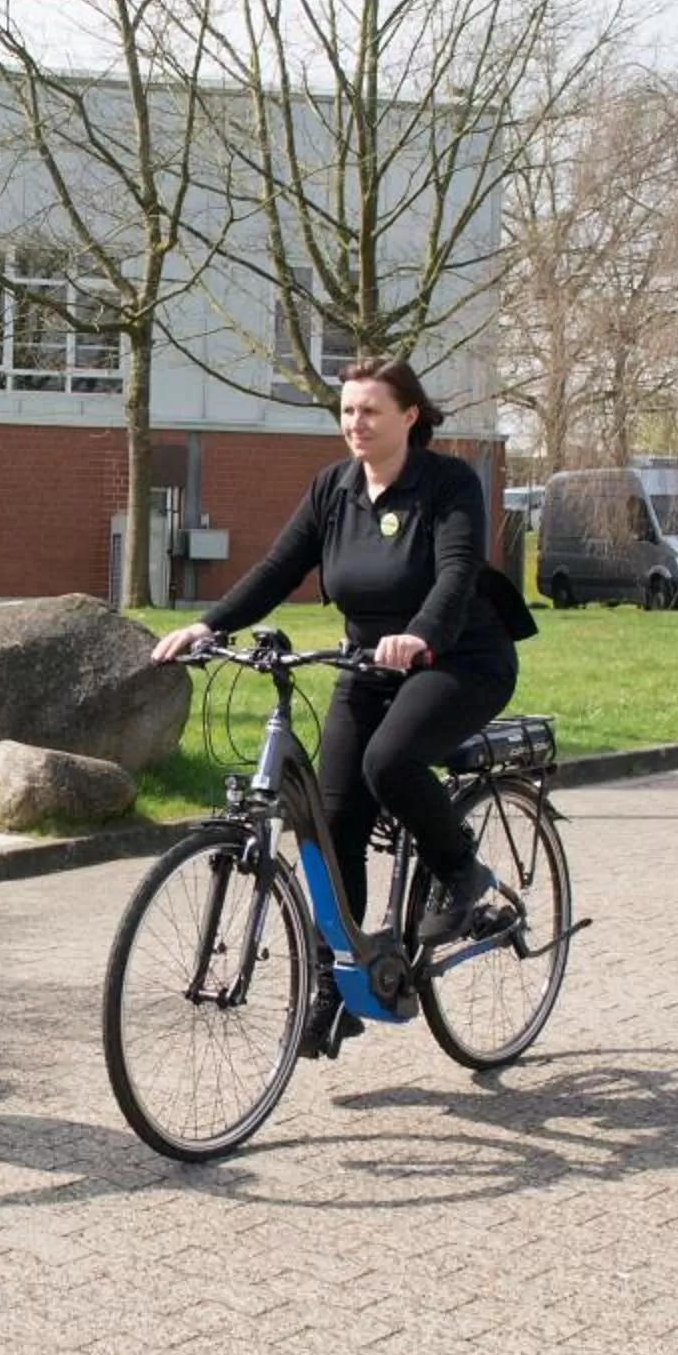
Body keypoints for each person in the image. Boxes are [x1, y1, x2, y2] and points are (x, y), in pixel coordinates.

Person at [150, 355, 535, 1048]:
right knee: (332, 823)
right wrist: (210, 625)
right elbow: (278, 567)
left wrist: (418, 635)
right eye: (347, 411)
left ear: (409, 417)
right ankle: (339, 985)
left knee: (389, 763)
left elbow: (453, 577)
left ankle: (460, 870)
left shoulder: (446, 485)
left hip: (460, 657)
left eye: (371, 411)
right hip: (367, 663)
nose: (355, 424)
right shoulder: (334, 488)